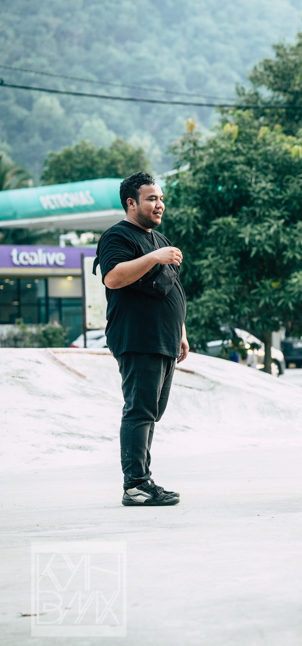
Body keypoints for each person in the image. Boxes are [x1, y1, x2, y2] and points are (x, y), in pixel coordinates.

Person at [96, 172, 188, 506]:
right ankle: (135, 486)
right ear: (131, 203)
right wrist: (153, 257)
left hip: (164, 339)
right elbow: (113, 277)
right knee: (139, 411)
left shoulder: (160, 239)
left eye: (161, 198)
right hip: (138, 337)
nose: (159, 204)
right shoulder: (117, 236)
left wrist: (181, 332)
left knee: (151, 412)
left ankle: (144, 481)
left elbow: (173, 287)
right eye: (151, 198)